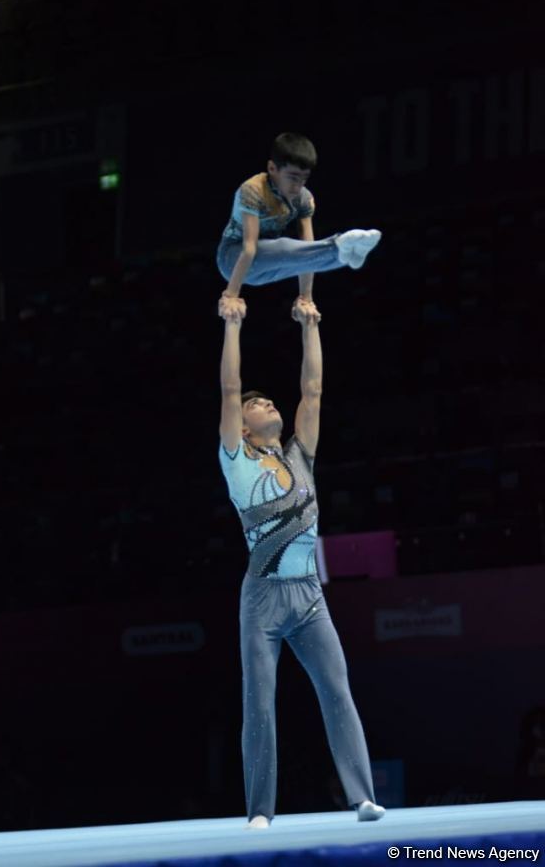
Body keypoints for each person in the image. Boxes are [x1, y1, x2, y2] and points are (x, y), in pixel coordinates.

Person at [217, 294, 385, 827]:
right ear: (243, 428)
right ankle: (260, 811)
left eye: (269, 400)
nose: (266, 403)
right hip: (263, 599)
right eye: (257, 405)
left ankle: (362, 797)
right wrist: (232, 325)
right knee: (260, 704)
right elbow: (229, 389)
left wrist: (310, 325)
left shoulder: (298, 456)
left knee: (337, 690)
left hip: (310, 596)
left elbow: (312, 389)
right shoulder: (237, 461)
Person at [217, 133, 381, 322]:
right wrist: (231, 295)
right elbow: (249, 248)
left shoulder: (304, 198)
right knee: (284, 245)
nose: (298, 186)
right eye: (293, 178)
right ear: (272, 168)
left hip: (266, 266)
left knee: (297, 259)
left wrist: (306, 299)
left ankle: (344, 256)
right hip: (232, 260)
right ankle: (336, 247)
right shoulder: (253, 190)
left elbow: (307, 249)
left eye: (304, 179)